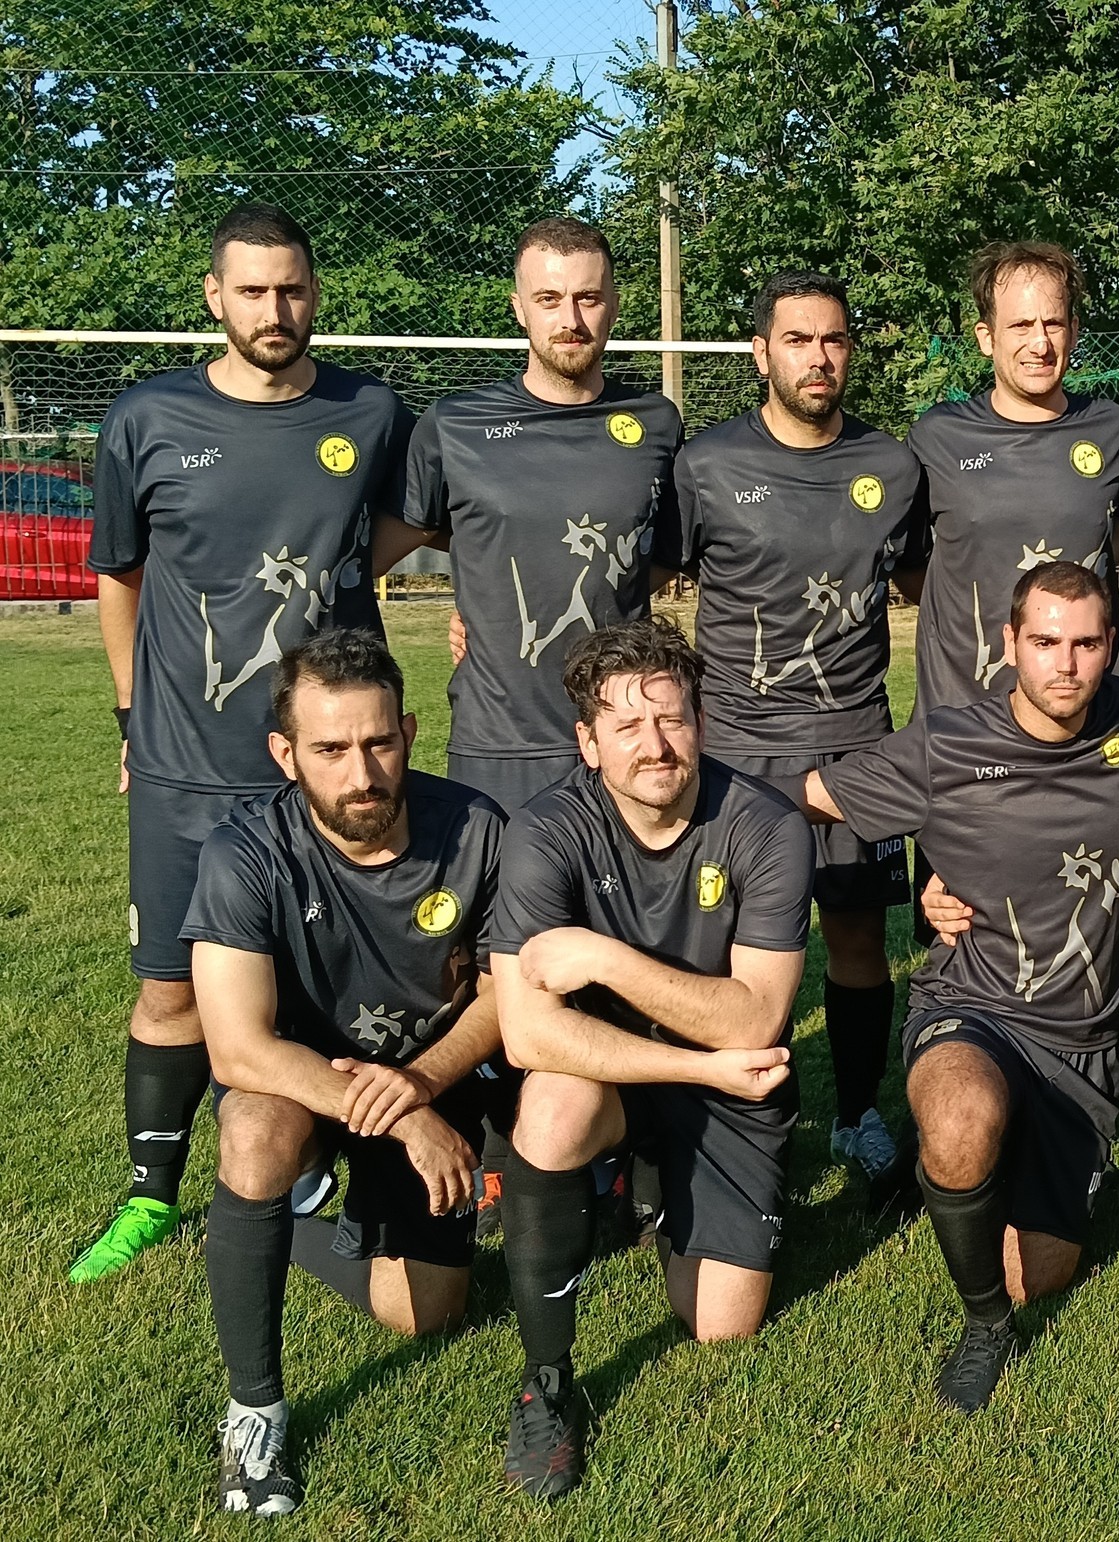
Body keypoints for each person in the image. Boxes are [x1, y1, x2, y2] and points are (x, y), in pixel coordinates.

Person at [794, 562, 1119, 1413]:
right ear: (1010, 644)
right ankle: (984, 1326)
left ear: (1110, 646)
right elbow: (806, 799)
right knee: (961, 1117)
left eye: (1086, 644)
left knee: (1037, 1273)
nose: (1065, 664)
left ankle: (967, 1170)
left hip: (1081, 1042)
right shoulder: (946, 744)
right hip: (971, 1004)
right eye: (1045, 642)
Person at [76, 203, 418, 1282]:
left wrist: (351, 574)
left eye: (293, 289)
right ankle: (149, 1192)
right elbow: (119, 577)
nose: (276, 309)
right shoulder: (146, 417)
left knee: (332, 983)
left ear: (315, 293)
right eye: (254, 291)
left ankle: (321, 1162)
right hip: (186, 766)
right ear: (215, 297)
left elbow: (414, 524)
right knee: (171, 988)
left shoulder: (371, 412)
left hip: (330, 769)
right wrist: (132, 717)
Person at [186, 630, 507, 1515]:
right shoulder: (244, 853)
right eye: (330, 749)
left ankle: (295, 1228)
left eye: (378, 742)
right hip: (306, 1086)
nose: (361, 773)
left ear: (409, 732)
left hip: (432, 1076)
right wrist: (403, 1115)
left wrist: (423, 1085)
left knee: (428, 1314)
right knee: (254, 1131)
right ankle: (254, 1414)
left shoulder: (477, 829)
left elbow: (505, 996)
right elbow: (239, 1050)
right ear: (285, 754)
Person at [489, 618, 807, 1498]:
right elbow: (526, 1036)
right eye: (626, 725)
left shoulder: (768, 826)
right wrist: (696, 1066)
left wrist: (605, 959)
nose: (655, 744)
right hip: (635, 1076)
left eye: (671, 718)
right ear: (588, 744)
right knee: (552, 1106)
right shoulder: (546, 830)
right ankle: (548, 1383)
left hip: (731, 1086)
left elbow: (758, 1018)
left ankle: (648, 1184)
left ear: (700, 721)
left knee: (723, 1327)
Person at [679, 270, 927, 1179]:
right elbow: (641, 577)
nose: (818, 358)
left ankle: (857, 1114)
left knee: (858, 937)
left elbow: (932, 586)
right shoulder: (706, 464)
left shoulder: (892, 468)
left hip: (858, 742)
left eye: (833, 339)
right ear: (761, 353)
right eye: (797, 339)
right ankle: (733, 1124)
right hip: (739, 750)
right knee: (728, 947)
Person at [405, 216, 685, 814]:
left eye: (589, 298)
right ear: (519, 308)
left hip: (625, 735)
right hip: (497, 744)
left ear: (613, 305)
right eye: (549, 299)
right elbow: (421, 530)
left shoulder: (657, 422)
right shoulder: (454, 426)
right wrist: (483, 601)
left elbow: (662, 554)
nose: (571, 319)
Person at [906, 240, 1119, 714]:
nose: (1040, 344)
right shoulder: (937, 438)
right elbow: (910, 566)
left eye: (1053, 323)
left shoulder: (1114, 430)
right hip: (963, 715)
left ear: (1074, 331)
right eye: (1020, 325)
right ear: (986, 337)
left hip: (1086, 713)